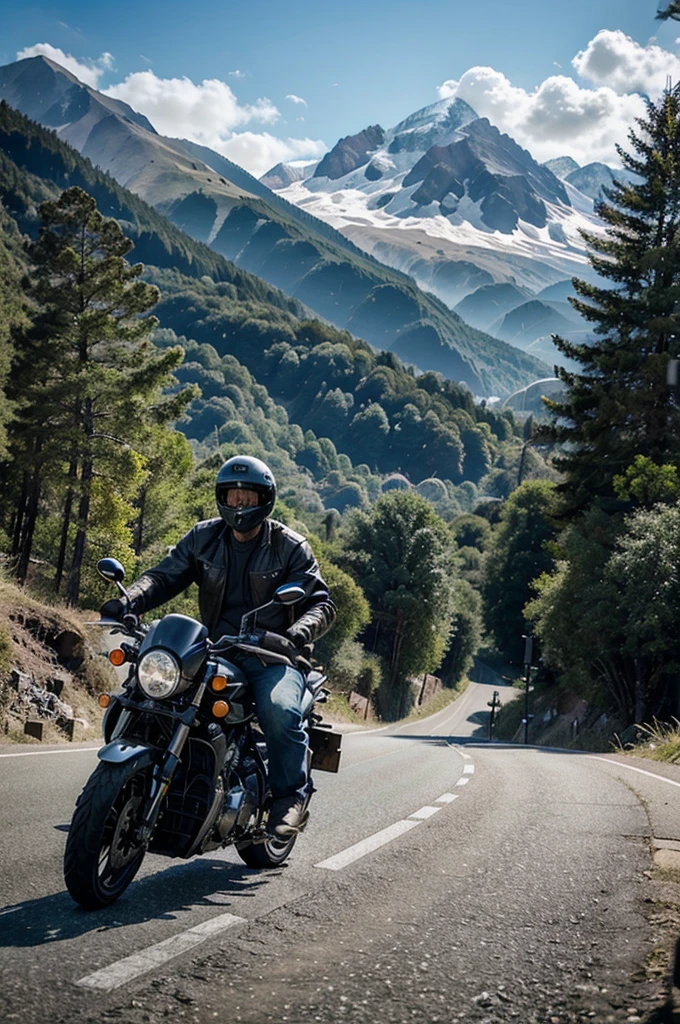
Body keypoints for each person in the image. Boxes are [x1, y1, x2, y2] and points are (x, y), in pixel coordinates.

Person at [100, 455, 336, 837]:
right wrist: (131, 601)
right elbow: (163, 577)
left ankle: (291, 797)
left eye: (248, 497)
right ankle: (139, 780)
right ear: (221, 497)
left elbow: (321, 604)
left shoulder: (291, 547)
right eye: (233, 496)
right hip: (215, 647)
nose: (240, 505)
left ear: (265, 499)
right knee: (146, 691)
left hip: (272, 655)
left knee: (278, 710)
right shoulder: (203, 537)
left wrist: (298, 633)